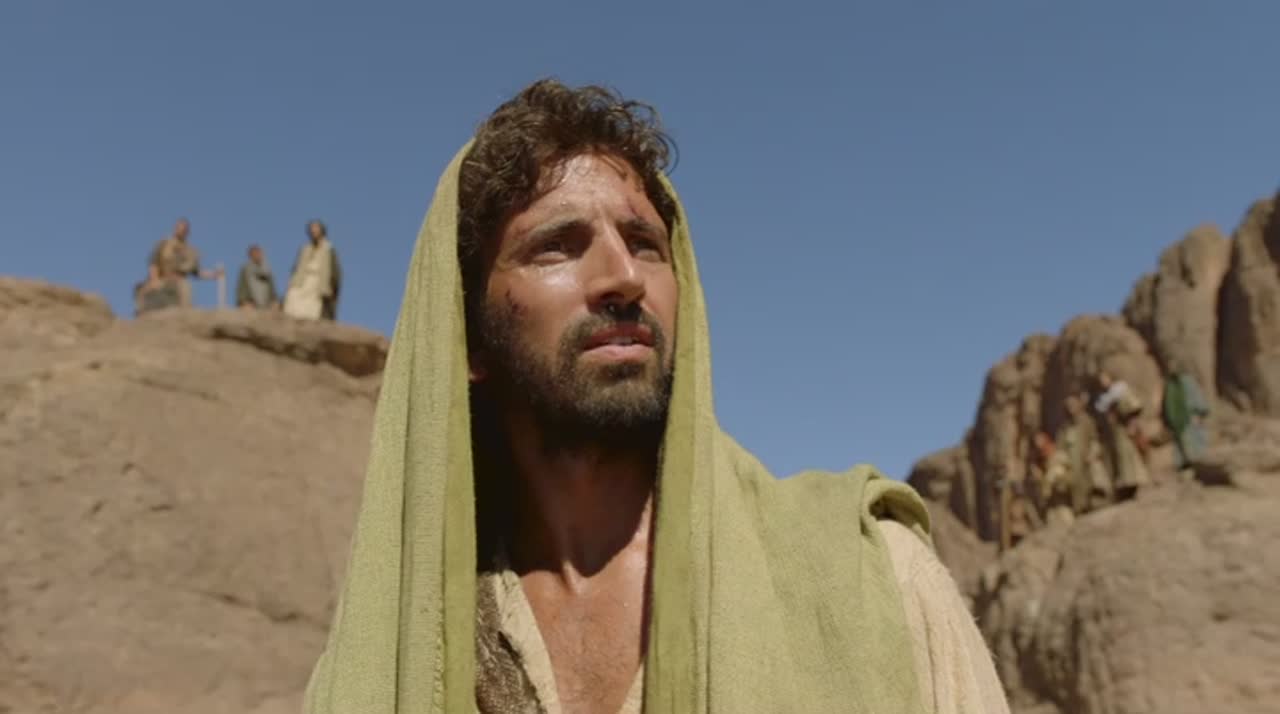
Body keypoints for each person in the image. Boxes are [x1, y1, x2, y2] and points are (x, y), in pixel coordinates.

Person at [304, 79, 1009, 714]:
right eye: (557, 245)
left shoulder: (872, 580)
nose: (623, 277)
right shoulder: (399, 648)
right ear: (469, 340)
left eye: (645, 243)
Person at [135, 218, 222, 314]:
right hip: (162, 280)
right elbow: (153, 263)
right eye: (179, 228)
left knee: (185, 298)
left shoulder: (189, 251)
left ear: (187, 232)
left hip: (180, 283)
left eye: (184, 229)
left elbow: (196, 272)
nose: (181, 231)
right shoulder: (164, 244)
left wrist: (214, 274)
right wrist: (154, 280)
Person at [1094, 371, 1150, 501]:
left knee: (1131, 457)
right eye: (1101, 380)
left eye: (1105, 378)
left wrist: (1132, 425)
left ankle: (1136, 485)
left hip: (1126, 429)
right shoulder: (1104, 398)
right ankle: (1126, 487)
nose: (1103, 382)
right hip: (1115, 432)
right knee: (1120, 460)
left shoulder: (1121, 390)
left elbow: (1133, 408)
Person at [283, 220, 342, 320]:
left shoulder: (328, 248)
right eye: (312, 229)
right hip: (301, 280)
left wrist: (333, 287)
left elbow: (335, 270)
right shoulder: (305, 248)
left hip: (319, 282)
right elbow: (297, 267)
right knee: (292, 297)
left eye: (316, 228)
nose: (313, 231)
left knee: (313, 307)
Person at [1163, 365, 1211, 470]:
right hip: (1179, 421)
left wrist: (1199, 412)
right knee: (1182, 444)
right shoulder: (1171, 385)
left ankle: (1199, 462)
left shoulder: (1188, 381)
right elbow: (1169, 405)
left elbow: (1197, 399)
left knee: (1196, 439)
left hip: (1192, 416)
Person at [235, 244, 280, 310]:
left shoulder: (267, 270)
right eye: (255, 253)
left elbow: (272, 289)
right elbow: (241, 288)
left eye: (259, 253)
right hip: (251, 303)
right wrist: (243, 301)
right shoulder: (246, 270)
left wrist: (274, 300)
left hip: (267, 303)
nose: (257, 255)